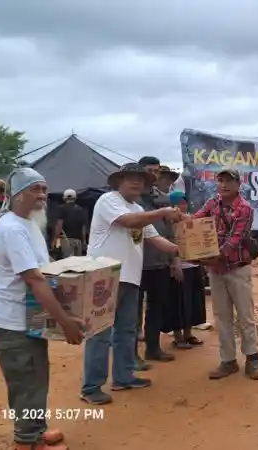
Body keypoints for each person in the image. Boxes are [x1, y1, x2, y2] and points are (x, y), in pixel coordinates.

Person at [0, 168, 84, 450]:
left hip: (29, 315)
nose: (42, 195)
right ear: (16, 195)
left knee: (36, 376)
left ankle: (36, 431)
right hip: (12, 320)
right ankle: (26, 441)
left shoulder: (29, 223)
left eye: (44, 189)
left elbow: (45, 271)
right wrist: (64, 321)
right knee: (25, 380)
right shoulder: (12, 228)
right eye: (35, 189)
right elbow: (34, 278)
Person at [80, 163, 184, 405]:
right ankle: (91, 387)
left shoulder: (138, 208)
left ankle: (123, 376)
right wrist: (162, 213)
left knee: (126, 330)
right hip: (103, 275)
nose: (136, 183)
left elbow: (156, 240)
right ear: (119, 181)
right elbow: (128, 221)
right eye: (130, 178)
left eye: (141, 179)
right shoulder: (109, 200)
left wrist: (189, 248)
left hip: (130, 277)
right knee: (99, 333)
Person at [190, 167, 258, 380]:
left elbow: (236, 239)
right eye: (220, 181)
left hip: (237, 267)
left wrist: (212, 256)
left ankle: (253, 359)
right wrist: (181, 220)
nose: (224, 185)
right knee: (222, 317)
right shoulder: (212, 203)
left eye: (229, 181)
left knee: (245, 316)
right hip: (215, 269)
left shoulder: (244, 208)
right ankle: (228, 361)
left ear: (238, 184)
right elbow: (196, 220)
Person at [138, 165, 181, 362]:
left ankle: (153, 348)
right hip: (136, 264)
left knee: (156, 308)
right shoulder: (131, 197)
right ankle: (131, 356)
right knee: (132, 310)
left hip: (160, 262)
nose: (154, 175)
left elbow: (170, 228)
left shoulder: (162, 198)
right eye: (150, 170)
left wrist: (175, 259)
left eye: (157, 172)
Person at [167, 190, 206, 349]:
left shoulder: (192, 219)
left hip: (194, 265)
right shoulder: (168, 222)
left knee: (193, 301)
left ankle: (189, 334)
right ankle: (178, 336)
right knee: (178, 301)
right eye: (179, 203)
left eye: (184, 202)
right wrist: (173, 263)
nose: (183, 206)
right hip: (179, 266)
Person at [50, 189, 88, 258]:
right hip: (78, 241)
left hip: (66, 241)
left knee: (68, 262)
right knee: (77, 263)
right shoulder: (80, 209)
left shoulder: (61, 209)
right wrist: (84, 241)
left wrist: (55, 240)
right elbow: (83, 228)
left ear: (64, 198)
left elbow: (59, 226)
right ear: (75, 198)